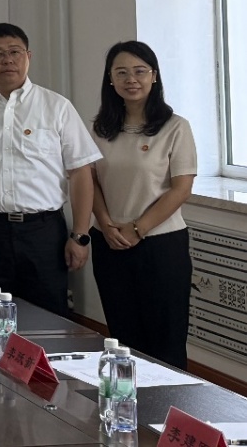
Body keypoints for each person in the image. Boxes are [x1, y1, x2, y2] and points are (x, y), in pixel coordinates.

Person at [0, 23, 101, 315]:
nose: (7, 60)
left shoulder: (56, 106)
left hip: (43, 232)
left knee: (48, 317)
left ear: (28, 56)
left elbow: (81, 173)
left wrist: (80, 235)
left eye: (15, 52)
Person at [89, 40, 196, 368]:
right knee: (123, 337)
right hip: (109, 242)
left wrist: (138, 229)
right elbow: (89, 182)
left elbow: (181, 188)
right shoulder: (100, 129)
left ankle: (169, 401)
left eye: (139, 71)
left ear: (154, 76)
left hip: (160, 244)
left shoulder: (175, 126)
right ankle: (126, 397)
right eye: (121, 72)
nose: (131, 79)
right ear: (110, 79)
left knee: (166, 339)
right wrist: (105, 224)